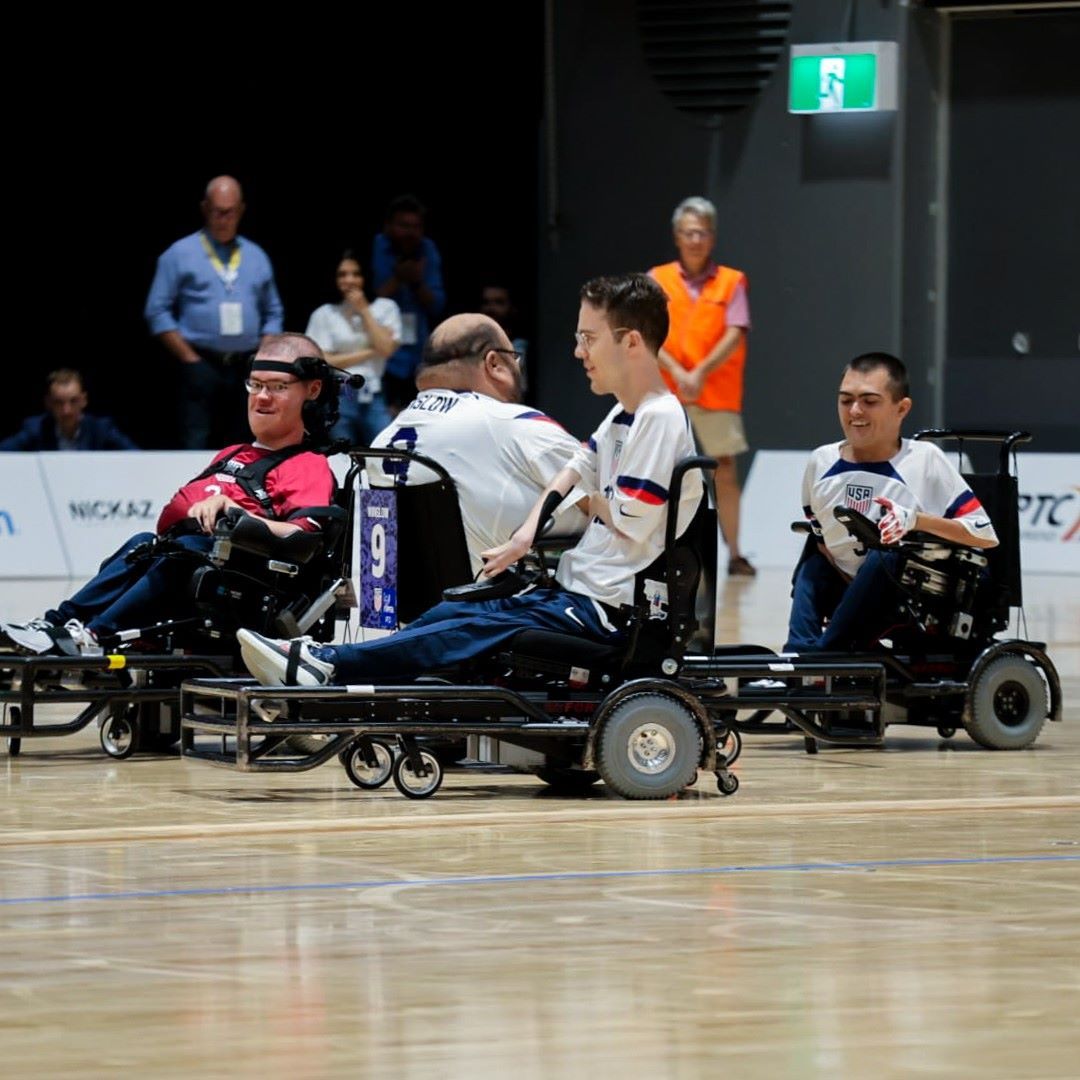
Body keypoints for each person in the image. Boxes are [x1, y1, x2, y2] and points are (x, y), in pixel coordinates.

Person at [236, 273, 701, 687]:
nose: (578, 351)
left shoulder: (659, 417)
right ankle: (331, 661)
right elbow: (576, 469)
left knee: (470, 624)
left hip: (608, 608)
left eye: (588, 338)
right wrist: (526, 534)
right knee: (457, 611)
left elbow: (633, 518)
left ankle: (329, 663)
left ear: (632, 342)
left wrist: (598, 498)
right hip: (575, 586)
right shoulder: (622, 414)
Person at [0, 335, 336, 657]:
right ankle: (55, 625)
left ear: (312, 391)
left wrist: (238, 514)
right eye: (256, 385)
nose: (262, 397)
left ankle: (94, 636)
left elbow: (305, 536)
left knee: (184, 554)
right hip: (182, 558)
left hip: (236, 583)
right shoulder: (232, 454)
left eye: (278, 387)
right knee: (142, 542)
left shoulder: (307, 463)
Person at [786, 351, 998, 652]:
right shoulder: (821, 461)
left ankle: (822, 656)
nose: (855, 411)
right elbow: (822, 537)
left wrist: (915, 520)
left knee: (887, 552)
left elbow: (984, 535)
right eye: (846, 400)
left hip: (911, 599)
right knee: (813, 550)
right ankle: (798, 653)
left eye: (869, 401)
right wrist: (854, 590)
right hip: (849, 588)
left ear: (901, 409)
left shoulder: (924, 460)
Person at [370, 311, 586, 574]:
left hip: (405, 614)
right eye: (514, 358)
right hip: (510, 609)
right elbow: (616, 509)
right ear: (494, 364)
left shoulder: (379, 441)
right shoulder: (517, 425)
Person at [649, 195, 755, 577]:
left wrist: (699, 373)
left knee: (724, 471)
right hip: (665, 390)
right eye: (688, 232)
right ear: (677, 236)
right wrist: (679, 371)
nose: (696, 239)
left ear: (712, 237)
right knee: (660, 469)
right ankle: (658, 549)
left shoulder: (732, 281)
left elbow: (735, 332)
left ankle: (736, 553)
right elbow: (649, 331)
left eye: (703, 232)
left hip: (716, 391)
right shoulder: (657, 279)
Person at [144, 176, 285, 449]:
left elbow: (274, 312)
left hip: (246, 365)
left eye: (230, 211)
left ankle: (240, 492)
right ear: (205, 208)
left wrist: (262, 359)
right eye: (217, 211)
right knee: (195, 439)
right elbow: (157, 311)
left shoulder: (256, 256)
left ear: (241, 210)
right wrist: (190, 359)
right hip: (200, 362)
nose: (223, 218)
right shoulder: (179, 253)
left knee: (246, 441)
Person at [304, 250, 402, 447]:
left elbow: (387, 349)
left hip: (374, 392)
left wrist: (364, 310)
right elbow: (323, 359)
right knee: (343, 454)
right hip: (340, 393)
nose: (350, 280)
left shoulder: (385, 307)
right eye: (342, 274)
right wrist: (370, 351)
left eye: (356, 274)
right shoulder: (325, 313)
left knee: (385, 449)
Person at [371, 195, 446, 414]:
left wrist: (416, 282)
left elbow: (437, 305)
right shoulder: (377, 246)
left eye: (416, 226)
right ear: (388, 226)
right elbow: (366, 302)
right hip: (378, 350)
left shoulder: (427, 250)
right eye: (404, 226)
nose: (411, 233)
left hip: (417, 351)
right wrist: (398, 278)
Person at [0, 369, 138, 451]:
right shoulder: (36, 429)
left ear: (84, 400)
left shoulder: (101, 429)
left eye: (73, 401)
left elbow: (137, 458)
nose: (67, 410)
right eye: (59, 403)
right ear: (48, 403)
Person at [480, 281, 530, 391]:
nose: (490, 308)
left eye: (499, 302)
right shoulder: (473, 347)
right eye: (486, 302)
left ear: (513, 307)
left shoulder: (524, 348)